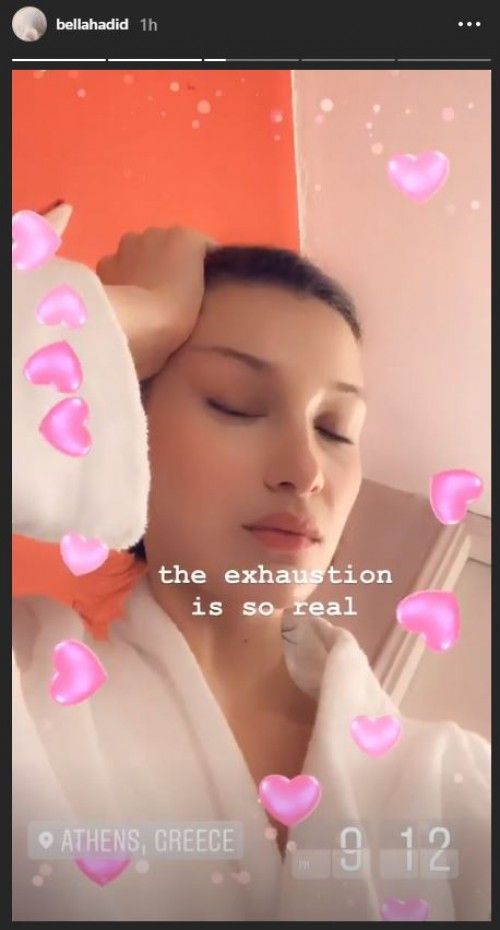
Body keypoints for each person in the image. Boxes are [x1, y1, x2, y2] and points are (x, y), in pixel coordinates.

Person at [12, 204, 490, 921]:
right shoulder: (28, 692)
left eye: (336, 429)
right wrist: (134, 315)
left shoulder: (458, 785)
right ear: (126, 426)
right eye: (236, 405)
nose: (306, 470)